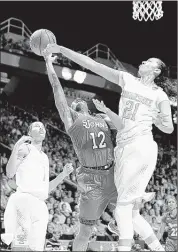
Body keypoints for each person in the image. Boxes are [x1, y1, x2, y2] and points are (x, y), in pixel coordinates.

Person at [45, 43, 174, 251]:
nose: (142, 61)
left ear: (156, 71)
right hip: (108, 164)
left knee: (125, 211)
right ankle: (156, 246)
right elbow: (87, 69)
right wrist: (57, 56)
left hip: (129, 156)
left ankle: (129, 237)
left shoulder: (155, 98)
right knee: (120, 216)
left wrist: (158, 119)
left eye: (148, 61)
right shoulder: (125, 82)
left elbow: (164, 127)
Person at [43, 52, 124, 251]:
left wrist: (107, 112)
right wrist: (49, 64)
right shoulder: (72, 120)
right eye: (72, 104)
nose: (74, 103)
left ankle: (118, 224)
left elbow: (124, 126)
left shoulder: (102, 119)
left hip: (113, 173)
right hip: (91, 178)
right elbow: (57, 89)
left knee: (133, 209)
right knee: (85, 232)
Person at [1, 121, 74, 251]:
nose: (41, 128)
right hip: (24, 202)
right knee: (20, 246)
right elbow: (10, 172)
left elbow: (46, 188)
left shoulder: (45, 157)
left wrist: (63, 174)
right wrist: (17, 145)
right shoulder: (25, 148)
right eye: (36, 126)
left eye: (42, 127)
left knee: (35, 249)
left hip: (40, 205)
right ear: (29, 133)